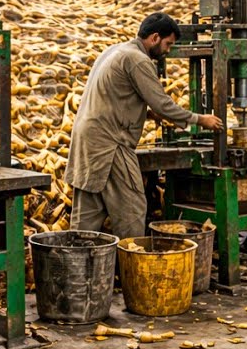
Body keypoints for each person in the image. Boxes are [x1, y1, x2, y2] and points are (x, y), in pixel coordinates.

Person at [66, 13, 223, 239]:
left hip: (86, 141)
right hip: (111, 144)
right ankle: (131, 259)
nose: (168, 50)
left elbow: (115, 96)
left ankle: (77, 259)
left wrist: (146, 114)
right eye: (168, 44)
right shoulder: (137, 60)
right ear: (155, 37)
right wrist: (200, 119)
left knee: (87, 215)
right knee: (131, 208)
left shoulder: (114, 51)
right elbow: (163, 103)